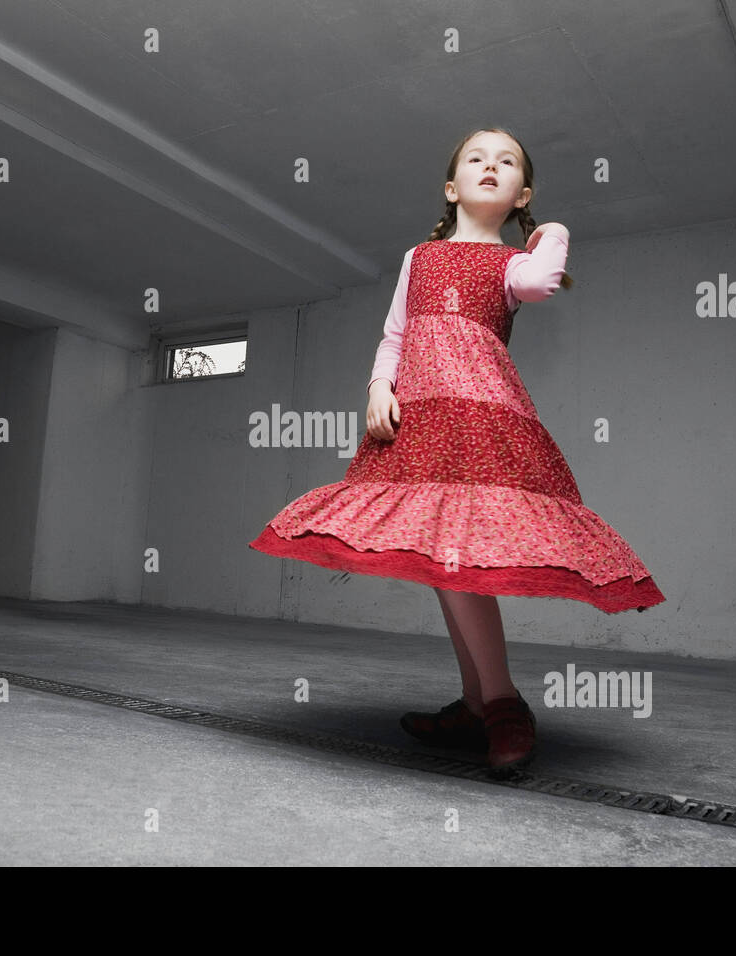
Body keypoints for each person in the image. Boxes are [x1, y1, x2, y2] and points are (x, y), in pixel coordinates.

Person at [249, 127, 665, 776]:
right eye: (477, 158)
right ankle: (478, 705)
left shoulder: (511, 265)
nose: (490, 166)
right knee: (442, 564)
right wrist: (378, 387)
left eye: (508, 164)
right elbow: (395, 333)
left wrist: (551, 230)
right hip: (420, 416)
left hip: (480, 417)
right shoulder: (419, 256)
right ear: (452, 187)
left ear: (520, 192)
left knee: (461, 558)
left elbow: (541, 285)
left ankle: (502, 704)